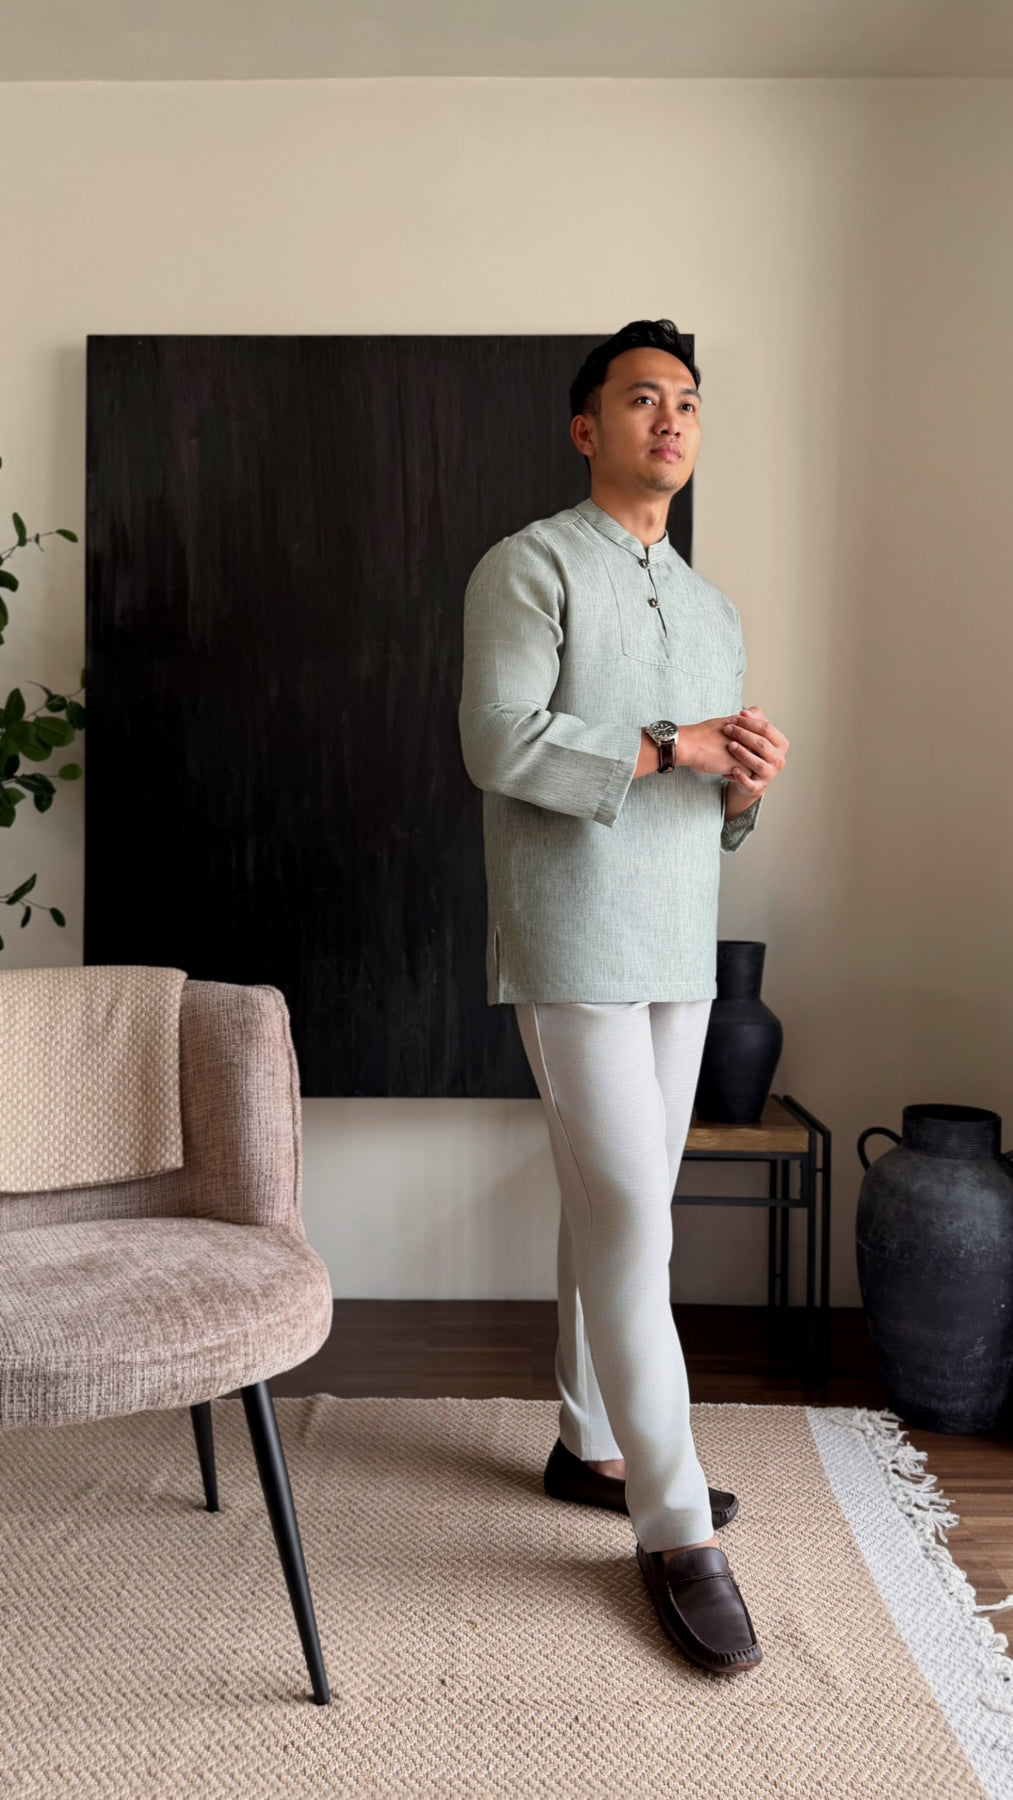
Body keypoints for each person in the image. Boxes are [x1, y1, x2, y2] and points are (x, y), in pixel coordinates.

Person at [457, 318, 789, 1676]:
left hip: (677, 944)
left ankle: (589, 1441)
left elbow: (709, 805)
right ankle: (671, 1523)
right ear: (586, 427)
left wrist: (742, 787)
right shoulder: (527, 565)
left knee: (615, 1208)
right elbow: (496, 742)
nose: (671, 419)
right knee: (633, 1220)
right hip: (571, 937)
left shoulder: (712, 610)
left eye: (688, 402)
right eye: (643, 398)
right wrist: (671, 743)